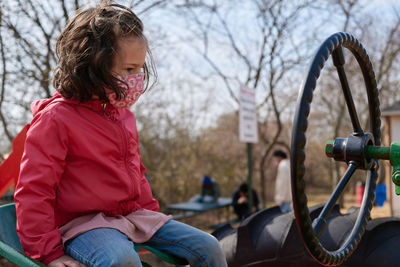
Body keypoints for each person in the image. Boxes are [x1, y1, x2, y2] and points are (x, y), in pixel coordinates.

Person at [14, 4, 227, 267]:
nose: (137, 78)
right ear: (92, 65)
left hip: (132, 216)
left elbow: (136, 172)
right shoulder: (55, 119)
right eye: (128, 69)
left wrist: (152, 216)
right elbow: (35, 191)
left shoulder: (123, 115)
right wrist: (49, 253)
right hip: (82, 225)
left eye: (139, 69)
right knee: (122, 260)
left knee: (210, 246)